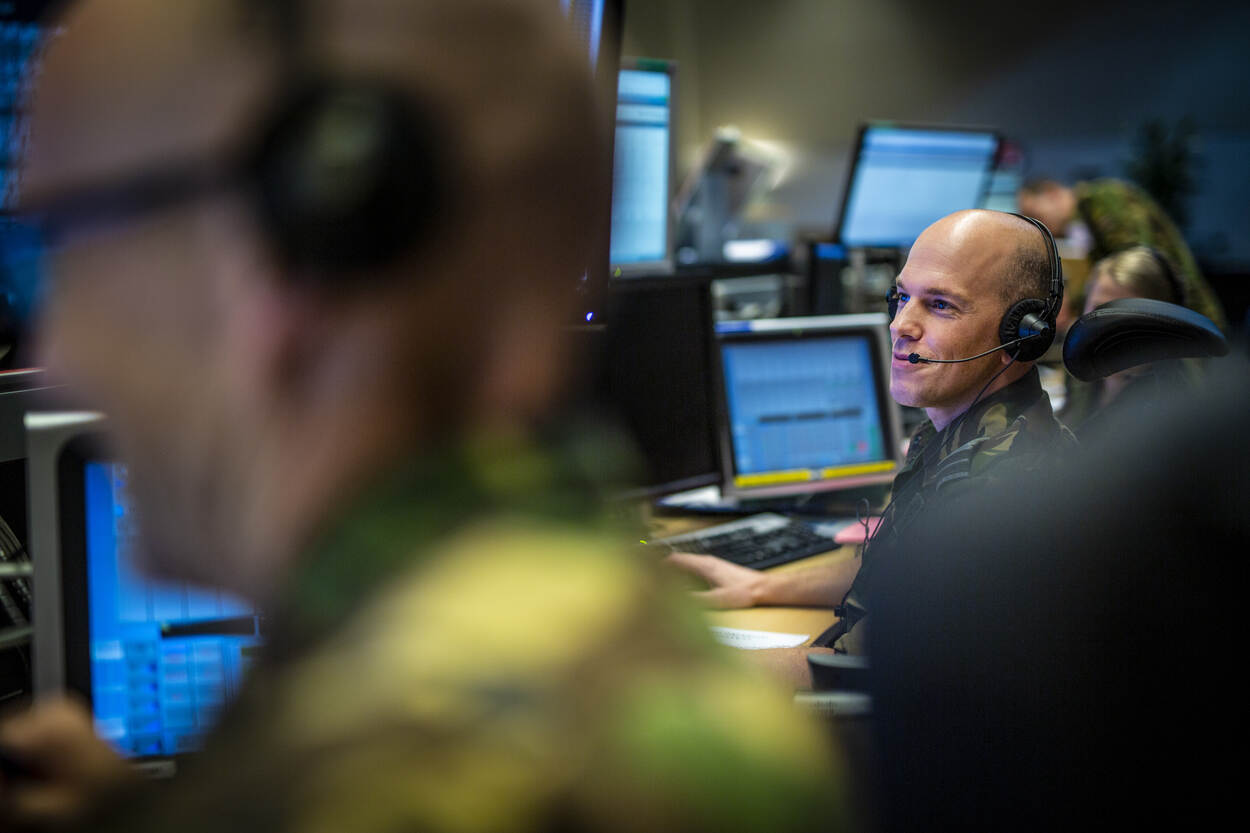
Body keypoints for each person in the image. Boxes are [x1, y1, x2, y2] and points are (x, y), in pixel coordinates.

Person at [0, 1, 842, 831]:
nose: (57, 349)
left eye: (65, 243)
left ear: (288, 247)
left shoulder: (374, 781)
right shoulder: (605, 652)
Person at [667, 210, 1077, 678]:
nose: (901, 324)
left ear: (1022, 336)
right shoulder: (961, 428)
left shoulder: (992, 489)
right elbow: (900, 567)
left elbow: (856, 675)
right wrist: (760, 586)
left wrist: (674, 673)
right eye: (901, 297)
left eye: (940, 305)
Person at [1016, 177, 1226, 331]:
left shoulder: (1101, 200)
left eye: (1036, 215)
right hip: (1170, 316)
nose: (1041, 226)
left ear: (1052, 194)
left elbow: (1132, 270)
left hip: (1185, 316)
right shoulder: (1086, 218)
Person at [1060, 246, 1203, 437]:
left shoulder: (1179, 405)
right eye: (1099, 310)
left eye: (1126, 316)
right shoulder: (1081, 373)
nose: (1108, 328)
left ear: (1166, 326)